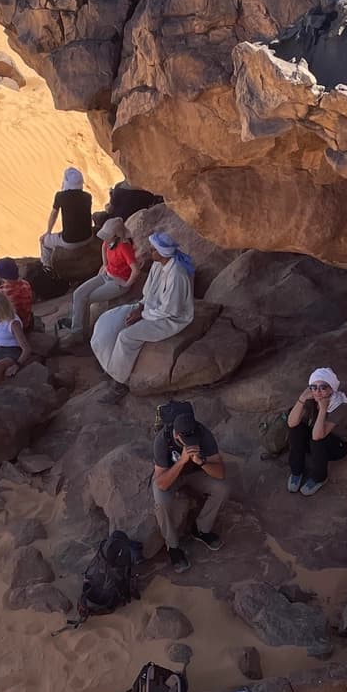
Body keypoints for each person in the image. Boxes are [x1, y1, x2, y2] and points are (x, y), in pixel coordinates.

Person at [91, 232, 195, 384]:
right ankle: (110, 366)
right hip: (149, 308)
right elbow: (148, 294)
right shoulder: (158, 265)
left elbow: (169, 310)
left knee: (126, 336)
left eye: (153, 249)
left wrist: (142, 314)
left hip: (170, 318)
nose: (150, 252)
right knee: (109, 321)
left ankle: (118, 381)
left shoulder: (176, 275)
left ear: (162, 253)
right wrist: (139, 307)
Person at [152, 400, 225, 573]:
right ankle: (173, 547)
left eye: (193, 438)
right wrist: (182, 461)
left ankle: (201, 529)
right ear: (176, 435)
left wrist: (202, 461)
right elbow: (161, 483)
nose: (191, 443)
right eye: (186, 439)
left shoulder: (203, 434)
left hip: (195, 473)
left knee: (222, 488)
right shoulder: (162, 440)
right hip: (172, 474)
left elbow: (220, 472)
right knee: (161, 500)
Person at [60, 217, 137, 338]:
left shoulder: (124, 247)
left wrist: (127, 284)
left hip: (118, 282)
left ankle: (78, 333)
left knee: (86, 298)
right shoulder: (111, 241)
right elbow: (104, 247)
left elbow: (135, 269)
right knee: (78, 294)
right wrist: (106, 265)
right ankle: (78, 331)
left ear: (116, 234)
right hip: (106, 275)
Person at [286, 366, 347, 495]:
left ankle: (319, 477)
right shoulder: (311, 398)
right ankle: (297, 471)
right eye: (313, 387)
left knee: (318, 440)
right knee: (296, 428)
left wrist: (322, 409)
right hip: (315, 437)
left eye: (323, 387)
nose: (317, 392)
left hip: (335, 447)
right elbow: (291, 423)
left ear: (331, 388)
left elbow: (317, 436)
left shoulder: (340, 405)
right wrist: (302, 399)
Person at [40, 167, 95, 267]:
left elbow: (54, 215)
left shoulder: (60, 196)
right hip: (88, 237)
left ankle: (47, 267)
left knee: (43, 241)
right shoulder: (88, 196)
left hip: (70, 240)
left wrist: (48, 232)